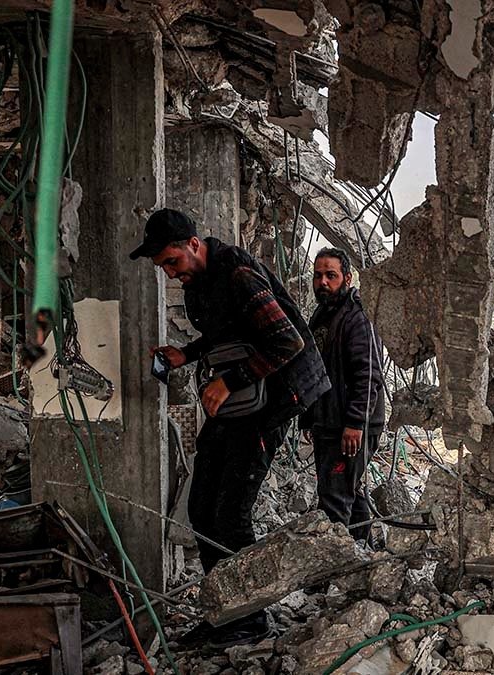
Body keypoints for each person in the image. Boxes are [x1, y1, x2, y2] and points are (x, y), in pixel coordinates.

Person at [130, 208, 329, 646]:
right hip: (244, 402)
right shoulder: (205, 280)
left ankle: (248, 619)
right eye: (163, 266)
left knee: (231, 511)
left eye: (171, 262)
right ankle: (226, 610)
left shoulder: (238, 274)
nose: (169, 273)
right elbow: (229, 329)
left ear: (193, 245)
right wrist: (189, 353)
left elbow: (288, 340)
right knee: (202, 507)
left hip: (275, 397)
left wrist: (230, 380)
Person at [300, 248, 386, 542]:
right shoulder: (324, 314)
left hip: (350, 425)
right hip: (330, 421)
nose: (322, 281)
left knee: (334, 499)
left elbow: (368, 376)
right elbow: (316, 370)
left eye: (331, 275)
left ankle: (329, 574)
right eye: (318, 275)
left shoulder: (357, 317)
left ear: (347, 278)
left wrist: (355, 424)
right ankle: (363, 551)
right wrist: (309, 419)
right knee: (349, 489)